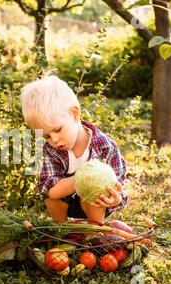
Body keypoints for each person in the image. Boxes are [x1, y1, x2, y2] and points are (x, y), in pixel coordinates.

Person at [20, 74, 128, 224]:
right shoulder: (51, 151)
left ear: (74, 114)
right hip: (67, 202)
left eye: (57, 130)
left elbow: (118, 188)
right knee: (51, 200)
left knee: (95, 197)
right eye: (47, 136)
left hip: (96, 204)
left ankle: (95, 230)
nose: (54, 139)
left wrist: (115, 198)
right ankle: (62, 229)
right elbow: (50, 190)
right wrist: (82, 178)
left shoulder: (105, 146)